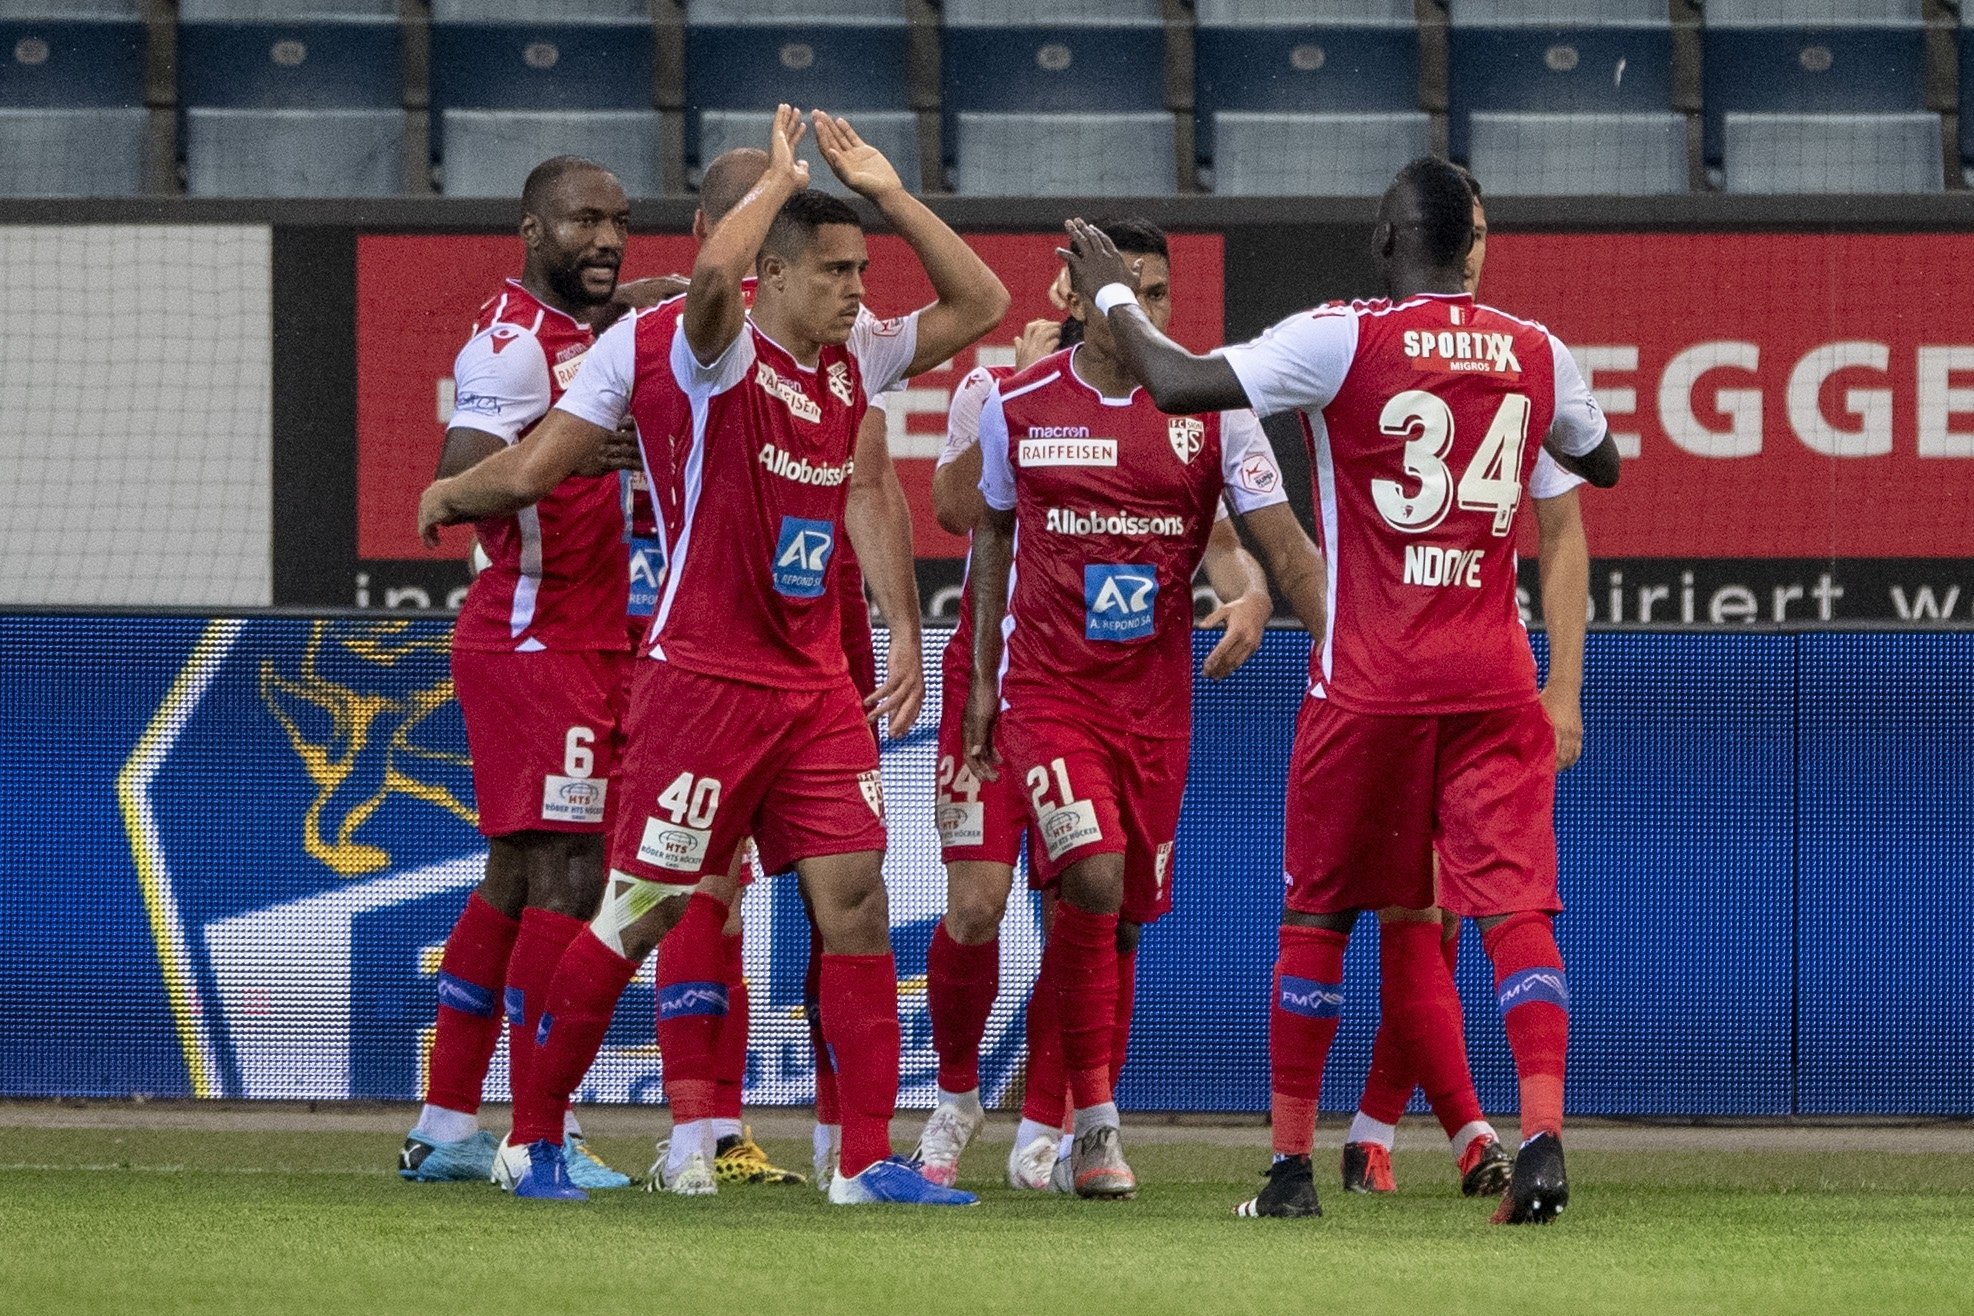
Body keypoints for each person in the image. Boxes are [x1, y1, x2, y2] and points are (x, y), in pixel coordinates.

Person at [417, 106, 1008, 1205]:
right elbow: (682, 311)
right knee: (639, 904)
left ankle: (868, 1161)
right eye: (834, 272)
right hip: (701, 677)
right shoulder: (708, 348)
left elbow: (982, 303)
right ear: (771, 274)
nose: (856, 290)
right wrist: (775, 187)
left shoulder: (852, 357)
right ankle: (532, 1136)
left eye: (861, 270)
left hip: (811, 685)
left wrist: (885, 192)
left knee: (859, 901)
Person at [1057, 157, 1618, 1224]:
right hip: (1495, 678)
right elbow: (1604, 462)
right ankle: (1541, 1137)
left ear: (1385, 238)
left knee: (1318, 911)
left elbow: (1177, 382)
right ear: (1470, 244)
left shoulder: (1342, 334)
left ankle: (1290, 1169)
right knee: (1514, 907)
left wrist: (1112, 291)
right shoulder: (1538, 349)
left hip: (1368, 678)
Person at [959, 218, 1327, 1198]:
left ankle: (1065, 1112)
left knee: (1121, 921)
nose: (1147, 312)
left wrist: (1284, 605)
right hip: (1050, 696)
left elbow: (1271, 542)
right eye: (1128, 290)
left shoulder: (1214, 410)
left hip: (1155, 710)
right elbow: (989, 536)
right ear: (1074, 296)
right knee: (1087, 871)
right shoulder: (1019, 402)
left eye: (1160, 293)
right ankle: (1094, 1127)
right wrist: (987, 684)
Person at [1341, 168, 1592, 1199]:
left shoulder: (1525, 357)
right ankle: (1448, 1129)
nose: (1479, 246)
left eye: (1490, 229)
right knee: (1429, 910)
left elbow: (1566, 531)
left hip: (1480, 669)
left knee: (1443, 912)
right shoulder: (1385, 346)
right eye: (1468, 230)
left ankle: (1383, 1131)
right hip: (1402, 666)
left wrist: (1565, 686)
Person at [398, 156, 646, 1191]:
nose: (606, 238)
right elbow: (459, 480)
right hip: (538, 643)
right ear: (532, 230)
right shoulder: (508, 348)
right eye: (583, 220)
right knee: (574, 876)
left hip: (580, 640)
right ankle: (540, 1132)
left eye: (619, 222)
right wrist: (572, 452)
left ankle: (447, 1122)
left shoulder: (589, 333)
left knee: (512, 875)